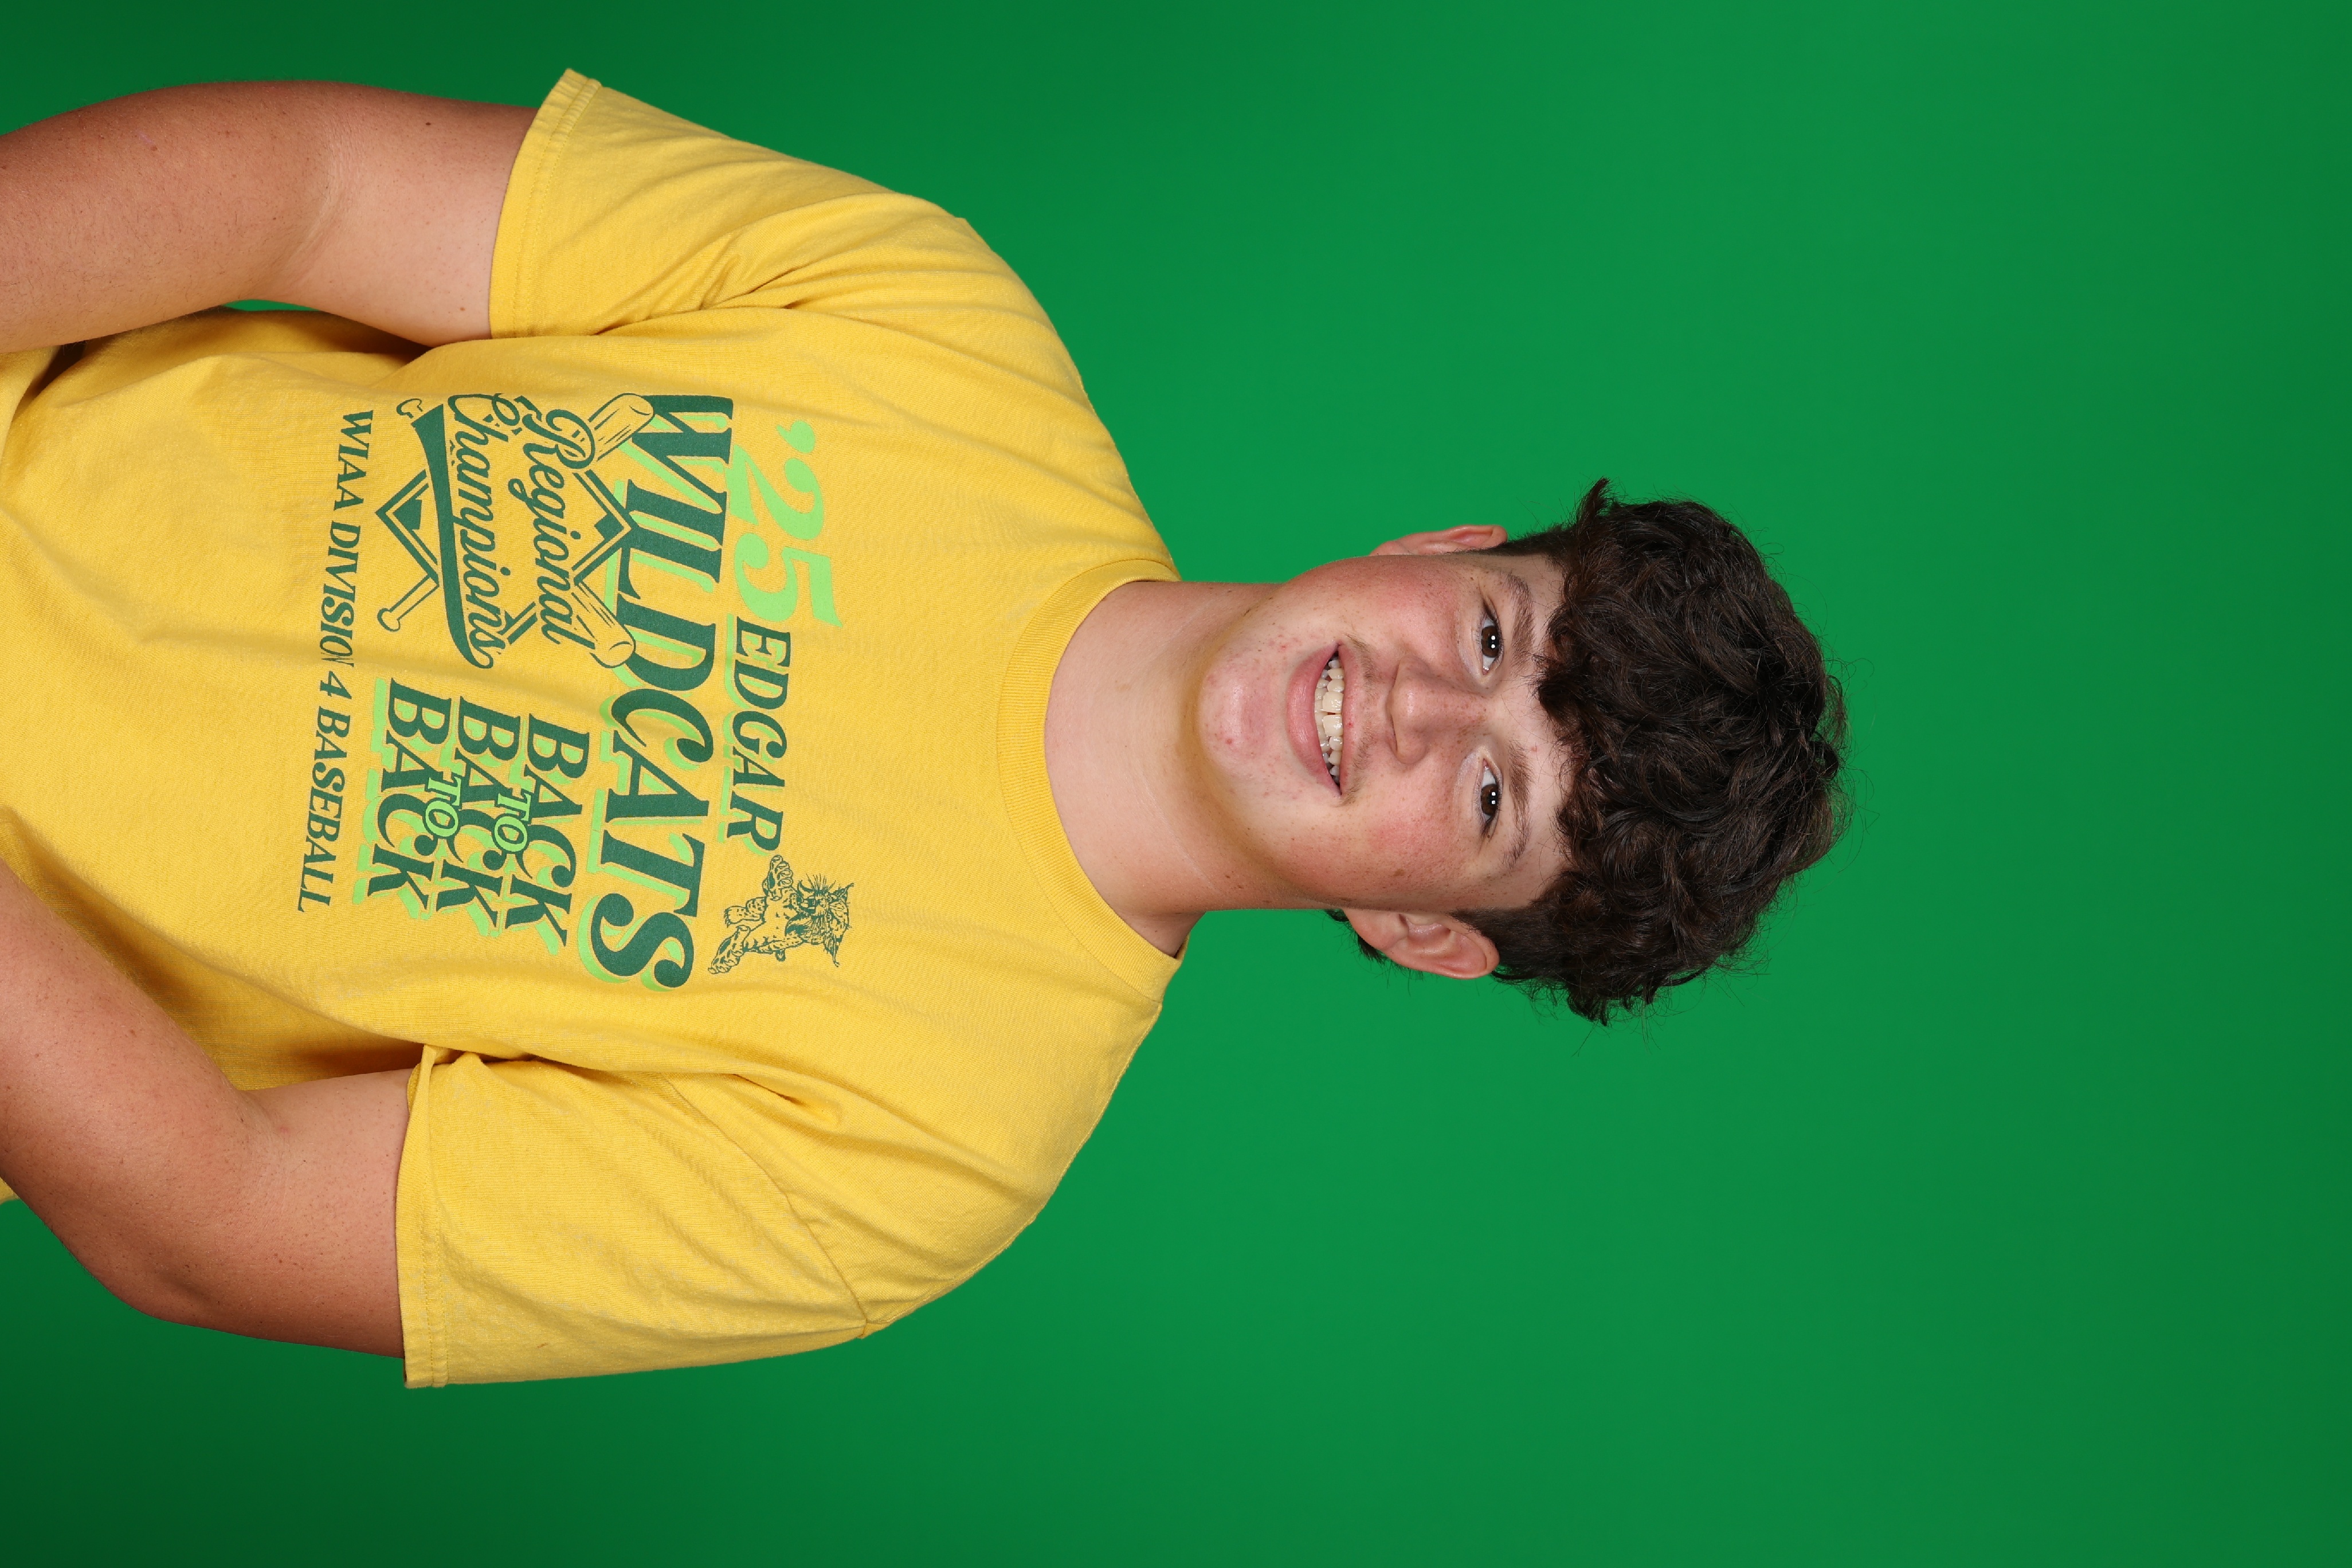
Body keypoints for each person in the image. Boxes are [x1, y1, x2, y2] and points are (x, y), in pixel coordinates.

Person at [0, 75, 1845, 1385]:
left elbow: (215, 1214)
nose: (1423, 707)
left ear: (1428, 931)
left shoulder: (923, 1170)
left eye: (1496, 792)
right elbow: (310, 188)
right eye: (1492, 635)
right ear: (1439, 549)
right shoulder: (935, 317)